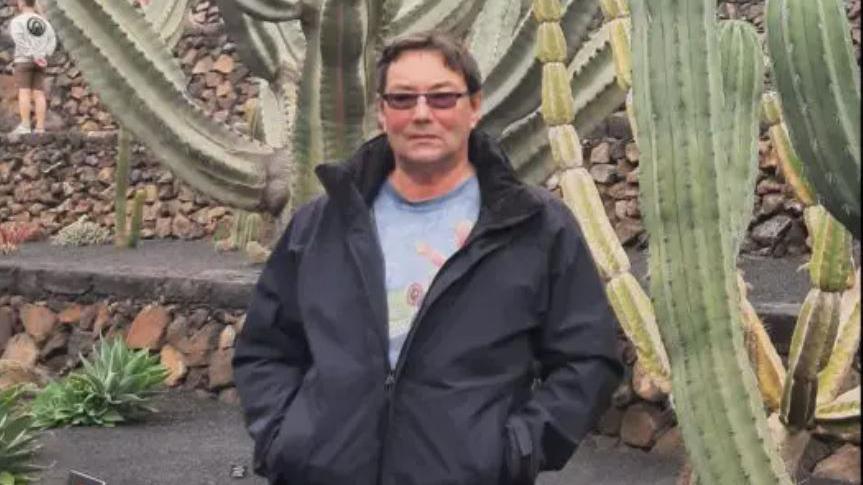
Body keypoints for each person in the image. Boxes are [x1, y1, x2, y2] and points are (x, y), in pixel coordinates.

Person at [233, 30, 623, 485]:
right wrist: (287, 441)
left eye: (441, 98)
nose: (421, 114)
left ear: (473, 107)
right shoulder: (323, 223)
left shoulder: (534, 226)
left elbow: (587, 360)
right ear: (381, 111)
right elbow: (265, 348)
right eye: (402, 98)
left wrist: (515, 450)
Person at [9, 0, 56, 135]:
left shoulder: (17, 21)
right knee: (39, 93)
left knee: (24, 92)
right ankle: (40, 127)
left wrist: (32, 54)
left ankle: (25, 125)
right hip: (41, 62)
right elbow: (52, 40)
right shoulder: (44, 22)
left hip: (24, 60)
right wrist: (44, 55)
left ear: (22, 3)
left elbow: (19, 40)